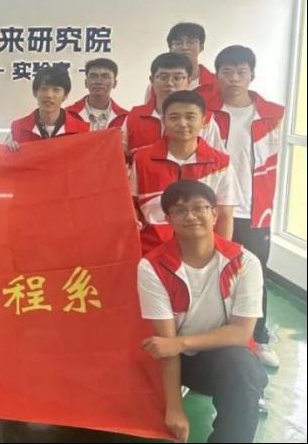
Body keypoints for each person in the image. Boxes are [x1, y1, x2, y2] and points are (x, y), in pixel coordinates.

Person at [137, 179, 267, 443]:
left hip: (225, 357)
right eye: (180, 210)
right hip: (180, 361)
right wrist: (175, 407)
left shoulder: (244, 262)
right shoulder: (152, 267)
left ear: (214, 214)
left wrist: (180, 342)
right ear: (168, 219)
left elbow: (241, 333)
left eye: (199, 208)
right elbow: (166, 344)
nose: (191, 216)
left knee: (242, 369)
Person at [208, 45, 285, 368]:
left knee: (255, 274)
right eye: (226, 72)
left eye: (241, 72)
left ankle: (259, 338)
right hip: (213, 209)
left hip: (255, 210)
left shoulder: (271, 115)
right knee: (212, 274)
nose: (234, 78)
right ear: (217, 76)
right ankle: (214, 337)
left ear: (252, 75)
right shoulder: (206, 113)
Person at [130, 90, 241, 254]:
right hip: (151, 250)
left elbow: (224, 216)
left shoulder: (221, 163)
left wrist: (219, 257)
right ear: (164, 121)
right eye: (174, 117)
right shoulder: (142, 159)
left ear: (203, 121)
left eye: (190, 117)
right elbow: (132, 205)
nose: (182, 124)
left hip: (200, 251)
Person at [6, 65, 89, 150]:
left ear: (65, 95)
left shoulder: (82, 131)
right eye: (43, 89)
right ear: (35, 92)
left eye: (56, 90)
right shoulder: (18, 129)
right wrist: (8, 151)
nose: (49, 95)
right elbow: (5, 157)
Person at [66, 58, 128, 130]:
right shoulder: (67, 114)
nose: (98, 81)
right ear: (86, 82)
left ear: (115, 83)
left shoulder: (126, 118)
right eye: (93, 76)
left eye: (105, 77)